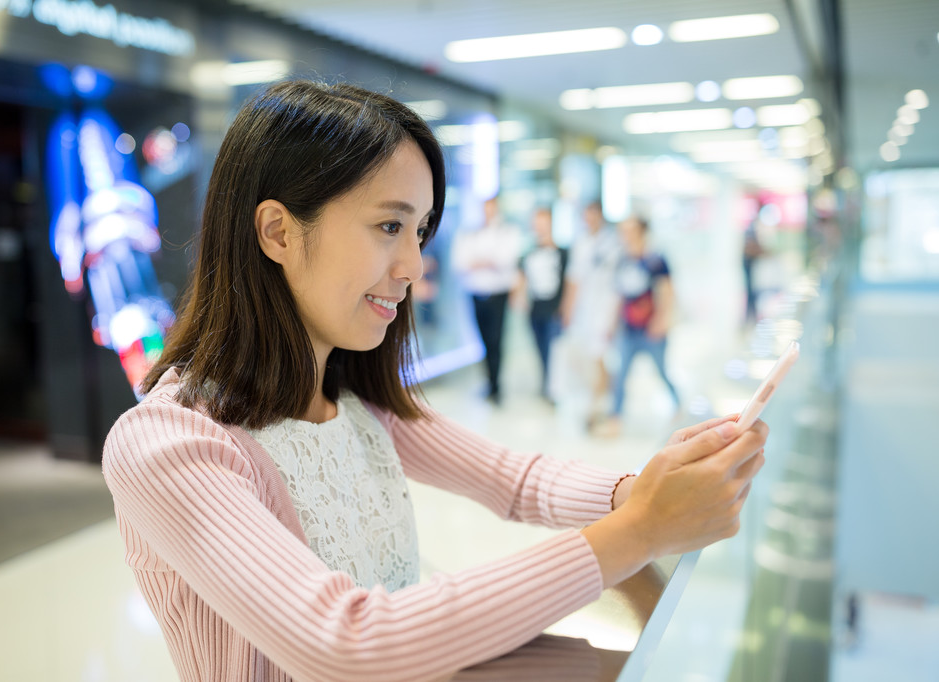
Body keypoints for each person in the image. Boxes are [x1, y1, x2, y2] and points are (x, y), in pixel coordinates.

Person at [102, 80, 768, 682]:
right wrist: (639, 530)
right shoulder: (167, 444)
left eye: (419, 231)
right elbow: (349, 643)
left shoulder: (354, 401)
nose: (414, 265)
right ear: (277, 231)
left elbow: (518, 480)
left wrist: (642, 491)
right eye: (389, 226)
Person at [602, 215, 680, 437]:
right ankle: (615, 418)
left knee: (662, 372)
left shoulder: (655, 260)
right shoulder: (622, 260)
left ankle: (679, 406)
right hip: (628, 329)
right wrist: (611, 323)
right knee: (621, 375)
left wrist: (661, 321)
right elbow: (619, 296)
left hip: (651, 329)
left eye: (630, 230)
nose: (625, 235)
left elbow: (667, 292)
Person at [451, 195, 521, 404]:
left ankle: (497, 385)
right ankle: (489, 382)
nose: (488, 213)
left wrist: (480, 261)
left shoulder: (507, 232)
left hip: (498, 294)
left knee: (496, 340)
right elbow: (460, 262)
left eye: (491, 209)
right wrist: (488, 260)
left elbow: (505, 260)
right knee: (482, 340)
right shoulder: (470, 233)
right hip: (475, 294)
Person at [560, 200, 621, 424]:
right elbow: (574, 278)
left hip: (606, 307)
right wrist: (567, 308)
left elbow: (618, 281)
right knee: (591, 358)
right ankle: (600, 399)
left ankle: (599, 406)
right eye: (586, 216)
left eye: (593, 215)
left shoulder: (613, 243)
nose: (589, 220)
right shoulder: (581, 242)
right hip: (585, 310)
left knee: (600, 355)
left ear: (601, 216)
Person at [515, 205, 568, 401]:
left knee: (555, 352)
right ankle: (546, 384)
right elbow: (521, 278)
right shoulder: (529, 253)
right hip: (536, 309)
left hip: (555, 309)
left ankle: (554, 390)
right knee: (540, 349)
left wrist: (566, 308)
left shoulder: (563, 253)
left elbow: (569, 282)